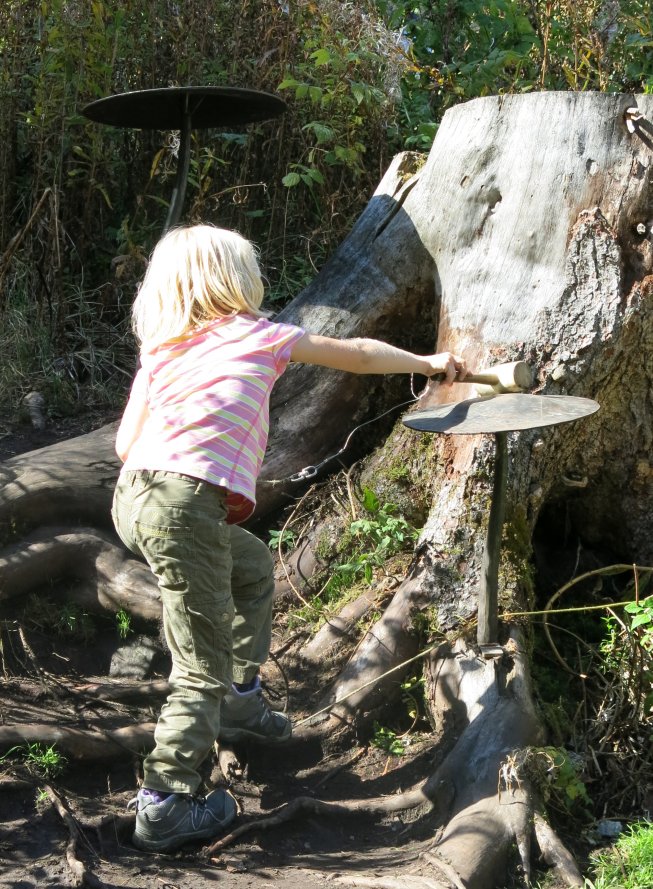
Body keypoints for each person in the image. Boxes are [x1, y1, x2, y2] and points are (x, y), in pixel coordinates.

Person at [112, 224, 467, 853]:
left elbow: (122, 445)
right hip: (183, 506)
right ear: (233, 280)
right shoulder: (259, 334)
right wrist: (427, 363)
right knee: (199, 661)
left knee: (249, 568)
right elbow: (355, 353)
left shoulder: (163, 351)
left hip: (135, 498)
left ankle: (241, 699)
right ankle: (164, 801)